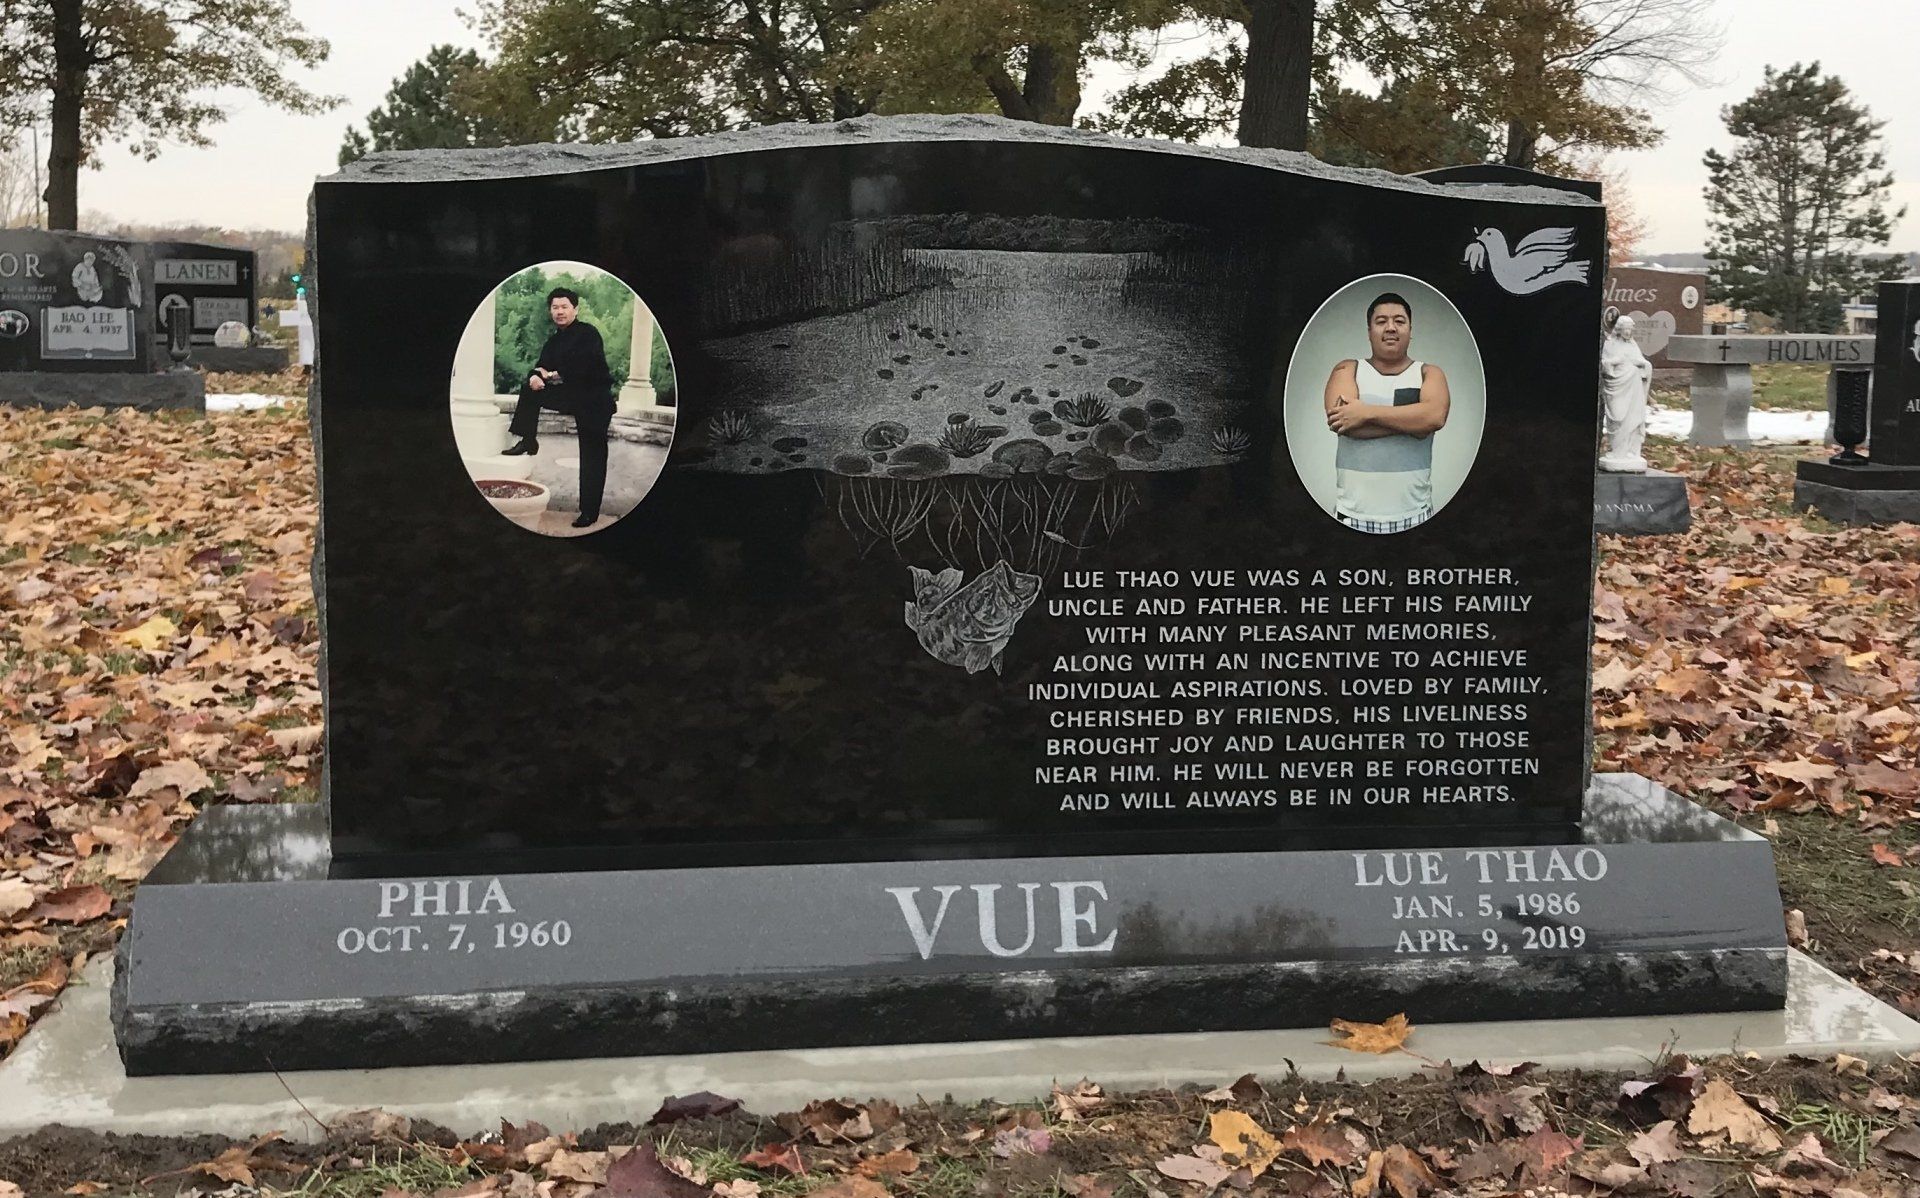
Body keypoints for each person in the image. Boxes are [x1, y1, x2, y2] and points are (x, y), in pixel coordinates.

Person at [1322, 292, 1452, 533]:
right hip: (1352, 516)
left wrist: (1365, 413)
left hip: (1416, 515)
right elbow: (1343, 422)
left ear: (1410, 330)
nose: (1391, 328)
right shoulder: (1347, 369)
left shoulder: (1429, 373)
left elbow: (1434, 417)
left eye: (1399, 321)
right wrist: (1414, 424)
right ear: (1369, 331)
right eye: (1381, 321)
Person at [504, 288, 617, 529]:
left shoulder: (589, 333)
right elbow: (540, 366)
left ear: (575, 309)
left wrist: (553, 374)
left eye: (564, 306)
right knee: (529, 387)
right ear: (550, 311)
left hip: (594, 399)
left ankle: (589, 512)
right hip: (571, 395)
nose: (559, 311)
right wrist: (536, 375)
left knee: (592, 456)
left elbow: (587, 367)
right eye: (555, 307)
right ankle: (528, 440)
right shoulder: (554, 340)